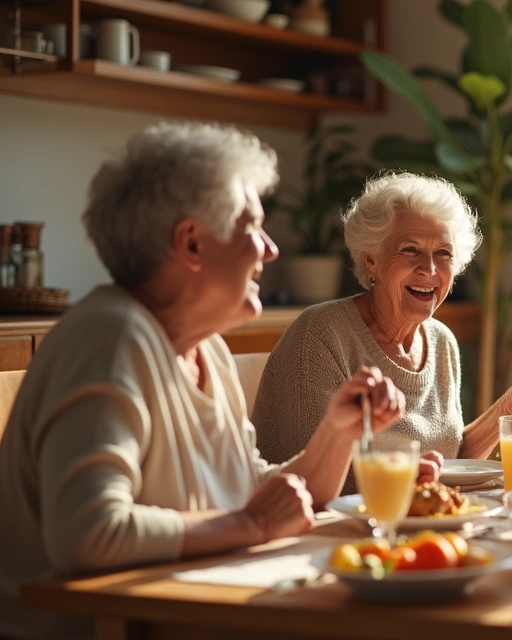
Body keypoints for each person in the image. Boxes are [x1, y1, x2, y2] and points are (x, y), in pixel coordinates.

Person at [0, 123, 421, 639]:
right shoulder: (110, 337)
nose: (269, 250)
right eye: (252, 226)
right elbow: (90, 533)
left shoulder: (208, 348)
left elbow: (258, 495)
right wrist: (253, 527)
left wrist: (337, 433)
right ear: (192, 243)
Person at [254, 172, 512, 493]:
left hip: (415, 524)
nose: (429, 269)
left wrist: (507, 408)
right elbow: (306, 475)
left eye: (444, 253)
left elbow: (447, 461)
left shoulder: (441, 341)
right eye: (410, 249)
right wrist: (399, 476)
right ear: (372, 260)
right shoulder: (320, 334)